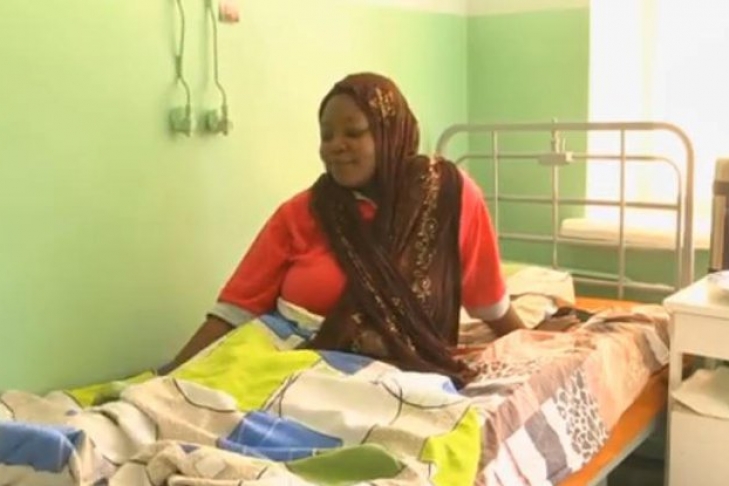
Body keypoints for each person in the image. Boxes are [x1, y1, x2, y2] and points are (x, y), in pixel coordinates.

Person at [166, 72, 525, 387]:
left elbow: (488, 302)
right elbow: (235, 310)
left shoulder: (448, 197)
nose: (335, 146)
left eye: (353, 132)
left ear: (390, 133)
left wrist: (529, 342)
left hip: (403, 374)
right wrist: (170, 373)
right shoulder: (302, 212)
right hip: (293, 360)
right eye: (327, 135)